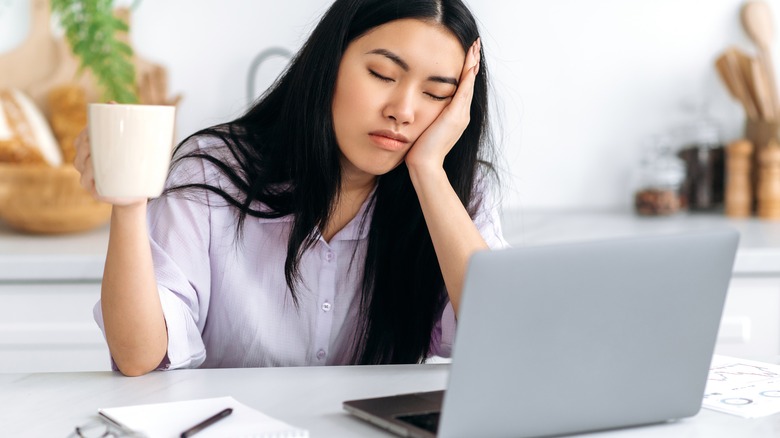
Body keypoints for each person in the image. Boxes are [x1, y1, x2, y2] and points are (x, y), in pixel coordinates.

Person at [74, 0, 508, 377]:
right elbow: (139, 357)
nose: (404, 111)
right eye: (382, 74)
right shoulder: (212, 173)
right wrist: (128, 205)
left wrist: (428, 171)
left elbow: (500, 338)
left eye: (436, 94)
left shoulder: (457, 194)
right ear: (329, 63)